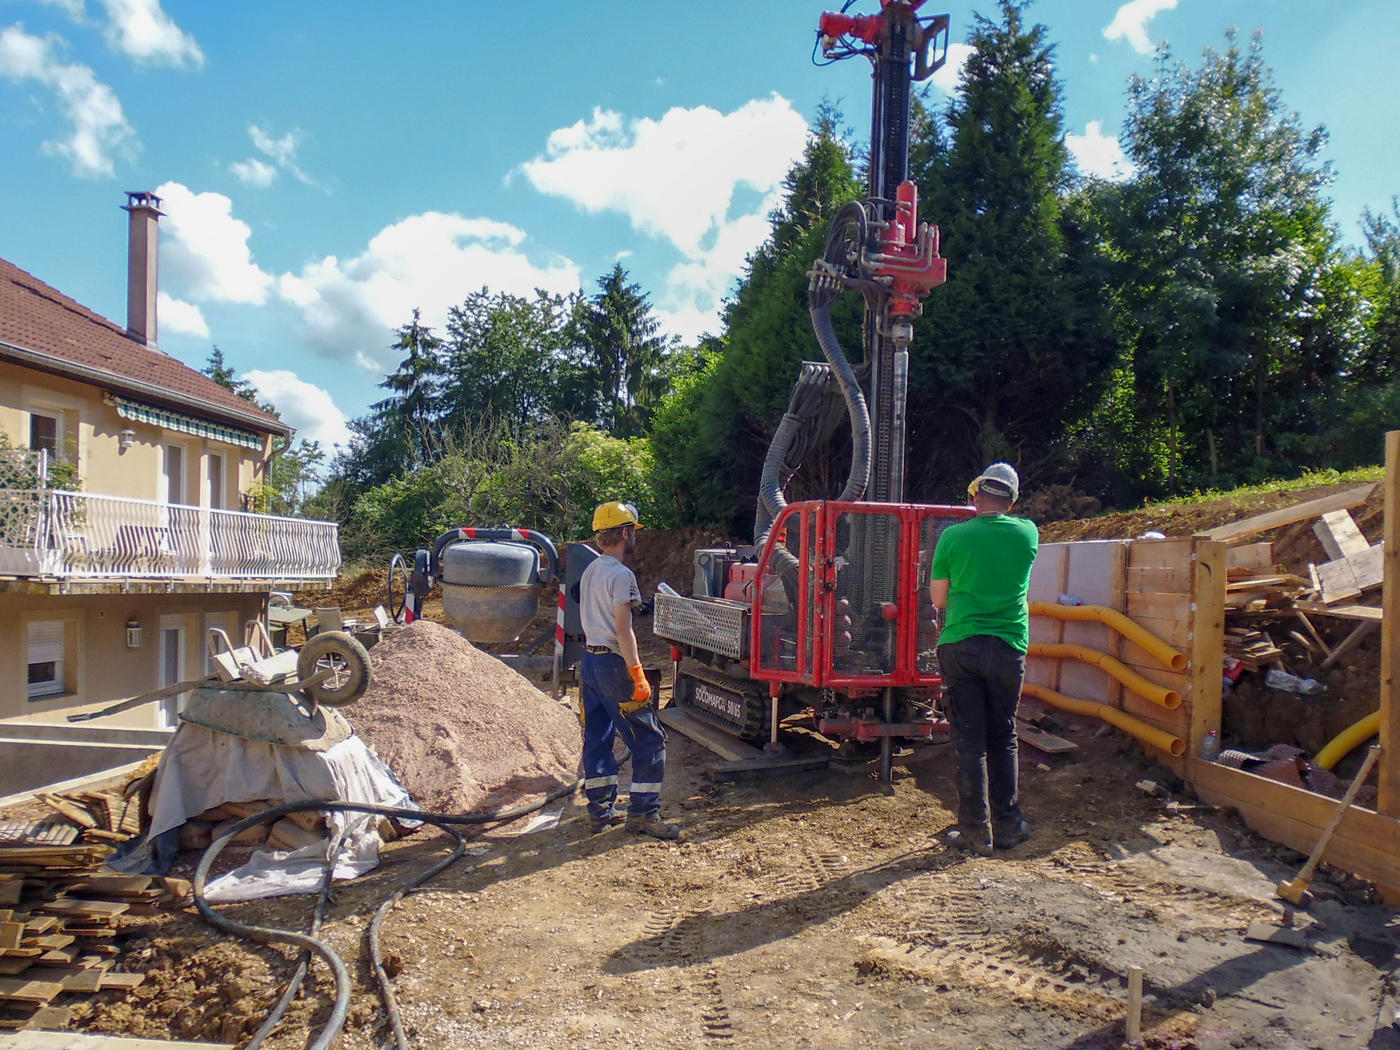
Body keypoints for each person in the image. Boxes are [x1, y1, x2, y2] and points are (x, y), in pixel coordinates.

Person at [928, 462, 1038, 856]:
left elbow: (938, 600)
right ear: (1011, 500)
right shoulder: (1028, 532)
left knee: (969, 739)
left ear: (975, 496)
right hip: (1009, 647)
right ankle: (1009, 826)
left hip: (961, 646)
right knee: (1003, 735)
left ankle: (976, 832)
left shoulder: (952, 536)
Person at [578, 501, 680, 840]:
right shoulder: (622, 575)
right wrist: (637, 674)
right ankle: (644, 814)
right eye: (632, 531)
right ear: (624, 532)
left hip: (589, 664)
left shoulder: (591, 569)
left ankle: (600, 813)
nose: (633, 536)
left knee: (598, 738)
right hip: (613, 665)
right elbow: (623, 630)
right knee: (649, 740)